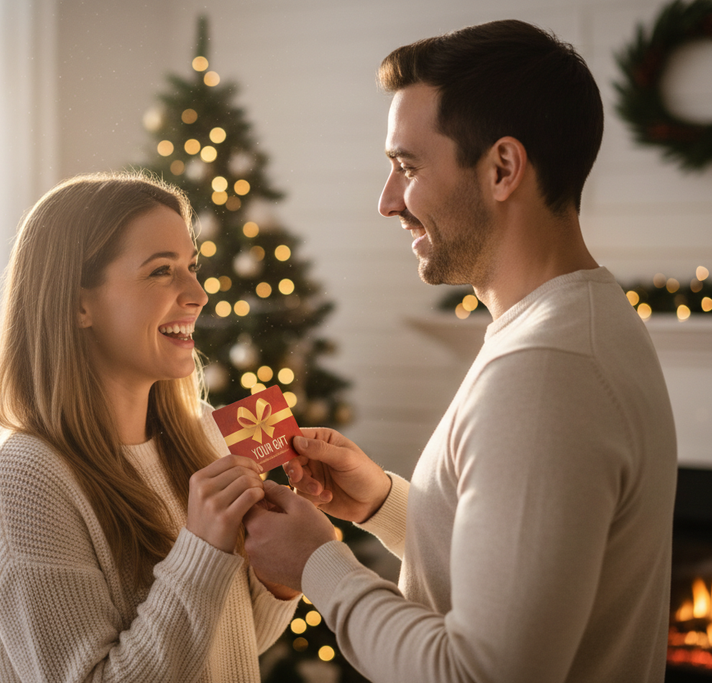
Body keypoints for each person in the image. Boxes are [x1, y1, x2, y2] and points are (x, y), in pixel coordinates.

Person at [244, 19, 677, 683]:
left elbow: (480, 674)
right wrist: (383, 505)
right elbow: (530, 564)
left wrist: (318, 565)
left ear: (502, 168)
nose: (389, 201)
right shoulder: (575, 322)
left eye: (407, 166)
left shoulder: (547, 370)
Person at [0, 172, 299, 682]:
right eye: (161, 271)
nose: (197, 294)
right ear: (79, 303)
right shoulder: (23, 480)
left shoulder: (205, 437)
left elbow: (231, 641)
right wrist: (203, 549)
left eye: (191, 267)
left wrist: (278, 578)